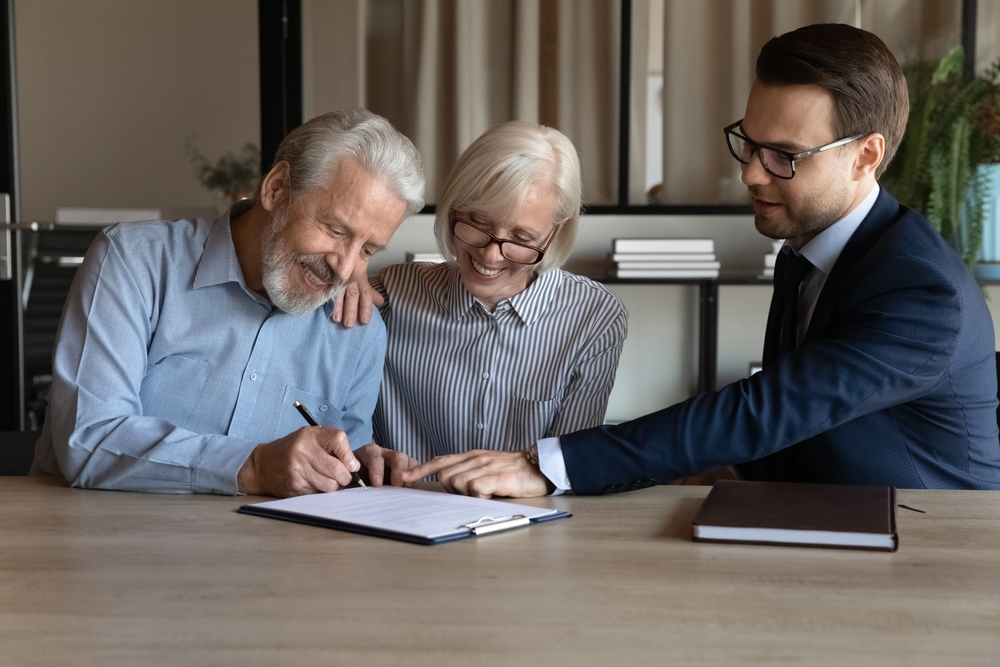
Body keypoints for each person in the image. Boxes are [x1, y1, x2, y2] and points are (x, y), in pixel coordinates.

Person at [404, 23, 1000, 497]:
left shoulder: (921, 290)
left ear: (866, 156)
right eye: (748, 141)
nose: (749, 172)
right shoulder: (809, 251)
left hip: (931, 550)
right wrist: (740, 474)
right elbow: (806, 424)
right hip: (834, 522)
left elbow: (771, 407)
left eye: (782, 156)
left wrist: (549, 465)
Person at [31, 108, 425, 496]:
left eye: (368, 249)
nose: (344, 269)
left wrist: (361, 468)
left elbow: (341, 478)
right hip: (103, 546)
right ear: (276, 188)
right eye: (336, 230)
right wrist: (253, 466)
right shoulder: (134, 262)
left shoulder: (358, 333)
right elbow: (88, 439)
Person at [340, 122, 626, 484]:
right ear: (455, 205)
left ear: (557, 231)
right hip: (402, 521)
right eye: (477, 222)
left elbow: (566, 468)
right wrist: (348, 268)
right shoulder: (394, 294)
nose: (490, 256)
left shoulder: (594, 318)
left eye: (522, 237)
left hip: (528, 527)